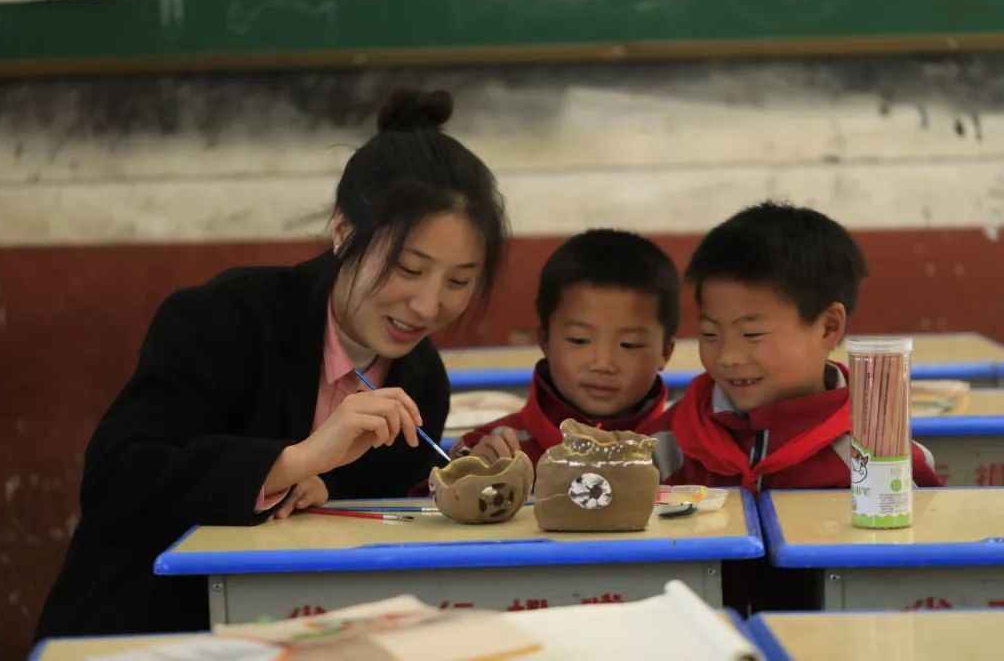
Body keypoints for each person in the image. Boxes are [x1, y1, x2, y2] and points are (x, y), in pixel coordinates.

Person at [34, 88, 508, 638]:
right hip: (149, 627)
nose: (428, 306)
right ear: (343, 232)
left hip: (311, 636)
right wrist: (292, 463)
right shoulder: (225, 318)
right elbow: (119, 478)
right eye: (408, 269)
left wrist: (455, 479)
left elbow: (373, 533)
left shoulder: (420, 382)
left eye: (458, 281)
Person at [648, 201, 942, 491]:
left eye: (751, 334)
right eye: (710, 334)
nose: (728, 357)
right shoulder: (668, 443)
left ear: (828, 326)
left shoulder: (879, 456)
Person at [451, 229, 679, 467]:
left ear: (665, 352)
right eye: (579, 340)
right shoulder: (490, 451)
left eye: (629, 344)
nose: (603, 364)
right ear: (545, 340)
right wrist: (473, 481)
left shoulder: (687, 453)